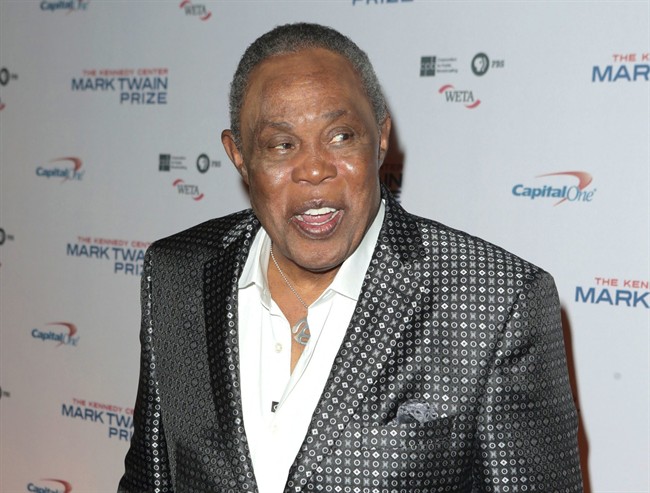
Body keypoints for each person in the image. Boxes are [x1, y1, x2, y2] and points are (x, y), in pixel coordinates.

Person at [118, 22, 583, 493]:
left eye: (340, 136)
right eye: (281, 145)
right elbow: (148, 479)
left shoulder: (495, 304)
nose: (315, 168)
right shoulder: (178, 275)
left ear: (380, 138)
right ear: (239, 156)